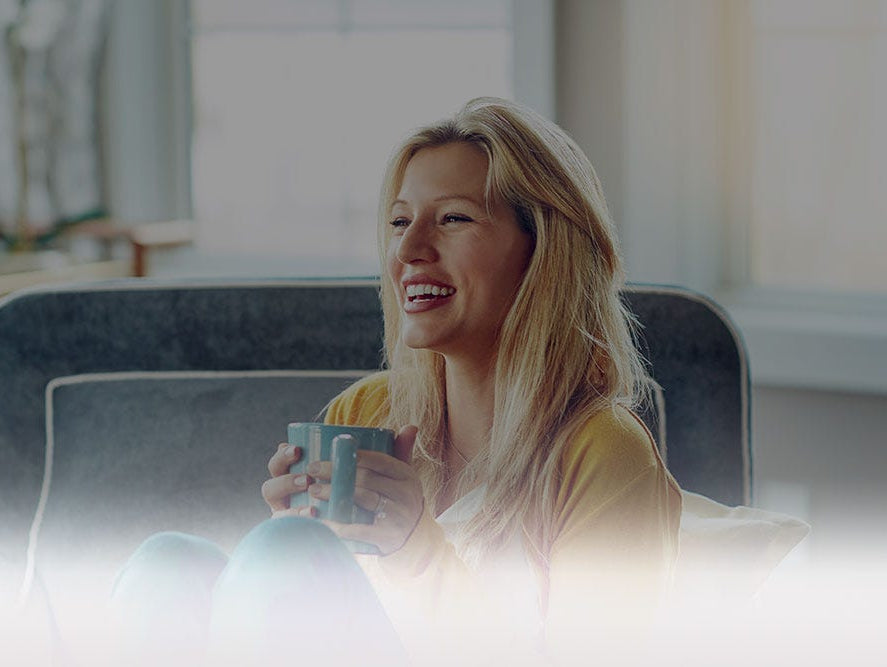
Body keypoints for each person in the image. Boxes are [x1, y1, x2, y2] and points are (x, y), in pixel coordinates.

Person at [113, 97, 681, 666]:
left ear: (544, 251)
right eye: (400, 222)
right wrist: (293, 555)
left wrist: (413, 550)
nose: (408, 252)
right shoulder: (366, 410)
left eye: (453, 218)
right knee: (170, 562)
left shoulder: (606, 453)